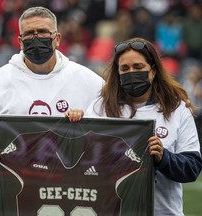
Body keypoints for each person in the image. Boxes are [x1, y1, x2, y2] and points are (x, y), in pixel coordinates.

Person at [0, 5, 103, 202]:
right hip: (13, 197)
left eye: (43, 32)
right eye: (29, 33)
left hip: (71, 193)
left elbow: (112, 128)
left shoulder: (88, 81)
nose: (36, 38)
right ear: (20, 41)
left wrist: (88, 124)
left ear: (57, 38)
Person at [67, 37, 202, 215]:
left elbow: (192, 168)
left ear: (153, 71)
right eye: (125, 68)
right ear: (118, 73)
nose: (131, 72)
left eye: (138, 67)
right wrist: (76, 125)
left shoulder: (176, 109)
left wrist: (163, 158)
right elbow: (81, 161)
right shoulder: (101, 107)